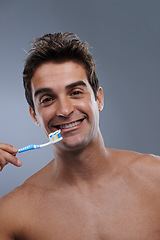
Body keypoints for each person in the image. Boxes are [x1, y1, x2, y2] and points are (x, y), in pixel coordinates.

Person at [0, 32, 160, 240]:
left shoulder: (156, 178)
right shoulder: (13, 214)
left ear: (99, 99)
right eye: (48, 99)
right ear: (34, 115)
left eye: (75, 92)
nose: (64, 110)